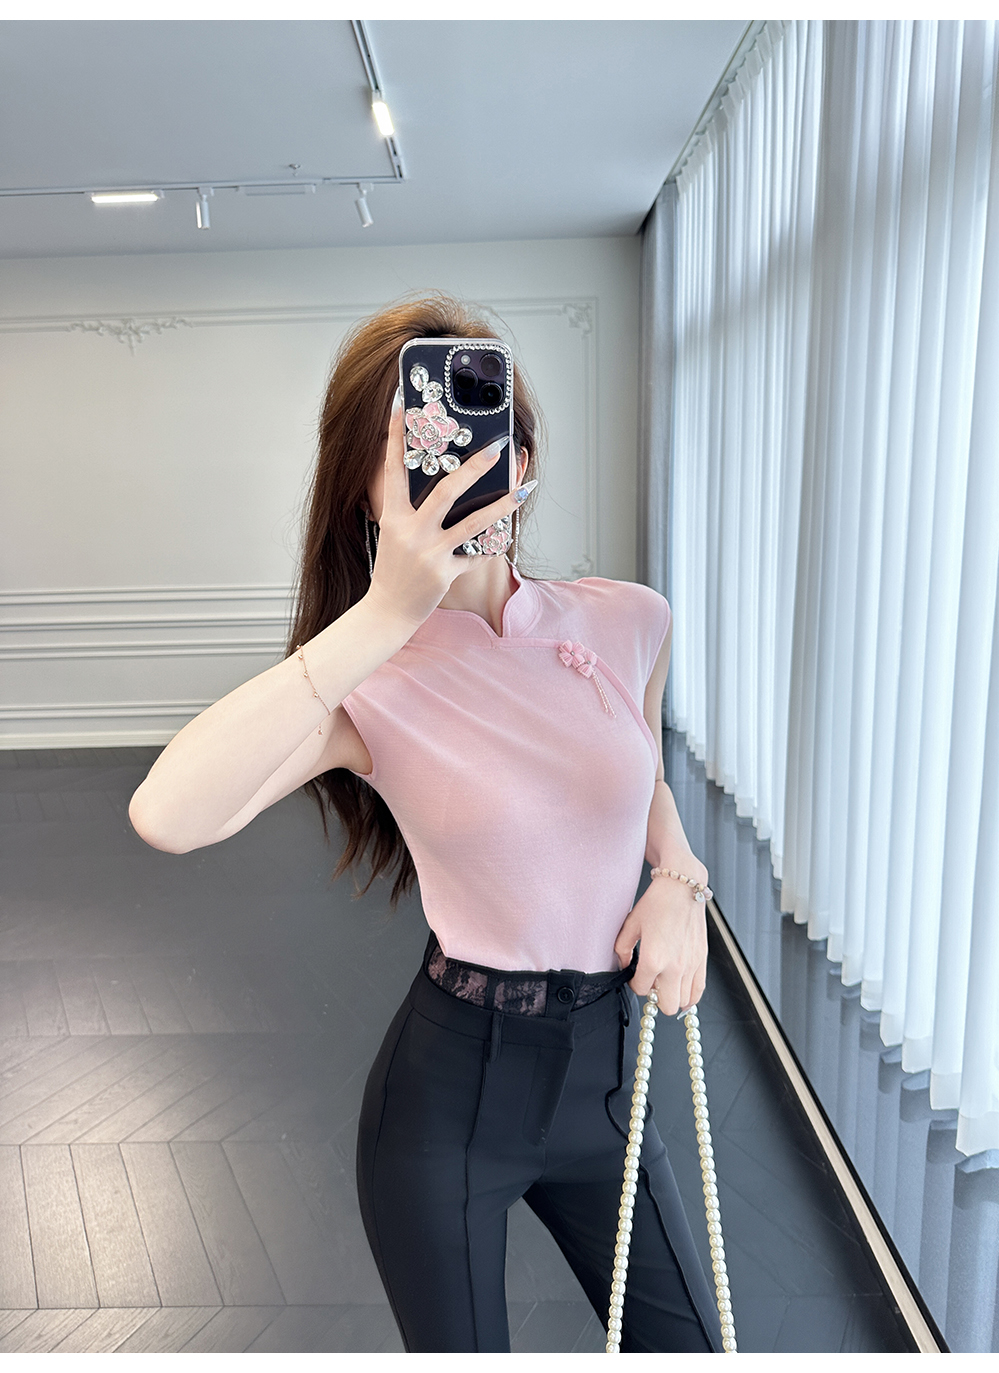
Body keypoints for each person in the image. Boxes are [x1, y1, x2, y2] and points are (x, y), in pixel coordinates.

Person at [129, 295, 721, 1354]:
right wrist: (382, 616)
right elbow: (167, 814)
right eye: (404, 448)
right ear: (361, 487)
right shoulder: (367, 683)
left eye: (471, 435)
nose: (441, 470)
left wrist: (678, 878)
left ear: (519, 459)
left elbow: (634, 770)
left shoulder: (630, 618)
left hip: (606, 1084)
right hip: (448, 1103)